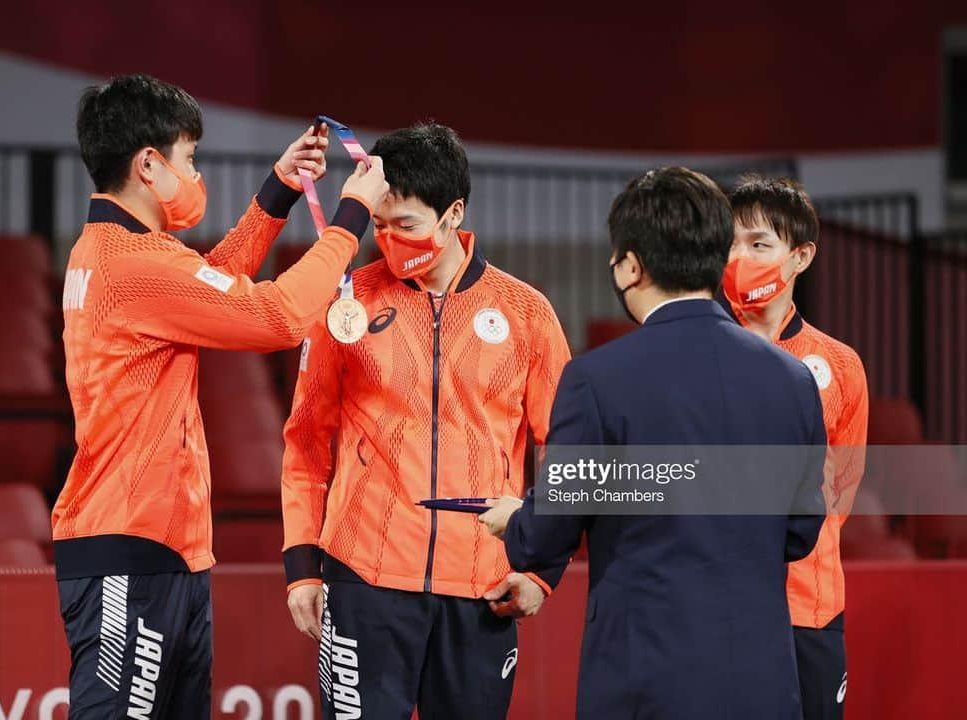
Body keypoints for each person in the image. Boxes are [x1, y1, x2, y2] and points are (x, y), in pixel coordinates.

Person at [52, 74, 388, 719]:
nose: (196, 173)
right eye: (191, 158)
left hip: (163, 545)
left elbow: (217, 279)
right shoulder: (131, 264)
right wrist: (351, 218)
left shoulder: (131, 254)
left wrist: (278, 193)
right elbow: (277, 318)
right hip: (130, 543)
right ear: (149, 164)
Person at [479, 166, 828, 720]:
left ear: (631, 266)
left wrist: (514, 520)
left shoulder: (597, 380)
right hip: (762, 682)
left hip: (645, 682)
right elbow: (801, 530)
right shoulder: (792, 380)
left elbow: (547, 534)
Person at [280, 122, 571, 719]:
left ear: (452, 213)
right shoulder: (346, 303)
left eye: (406, 225)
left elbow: (567, 449)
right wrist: (302, 567)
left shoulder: (527, 313)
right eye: (379, 226)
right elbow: (307, 441)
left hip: (481, 589)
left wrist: (541, 569)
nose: (390, 241)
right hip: (364, 580)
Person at [724, 176, 869, 719]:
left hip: (809, 610)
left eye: (759, 244)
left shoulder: (841, 365)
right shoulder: (696, 354)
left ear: (801, 255)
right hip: (719, 613)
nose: (739, 257)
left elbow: (842, 490)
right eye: (730, 243)